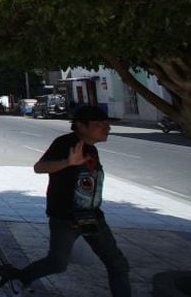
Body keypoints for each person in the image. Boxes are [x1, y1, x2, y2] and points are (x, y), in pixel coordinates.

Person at [19, 105, 130, 296]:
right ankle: (21, 278)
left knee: (117, 264)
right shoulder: (66, 143)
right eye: (99, 124)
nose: (106, 128)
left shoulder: (91, 149)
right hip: (66, 218)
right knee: (57, 263)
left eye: (106, 124)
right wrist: (67, 162)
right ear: (81, 125)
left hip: (91, 217)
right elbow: (40, 167)